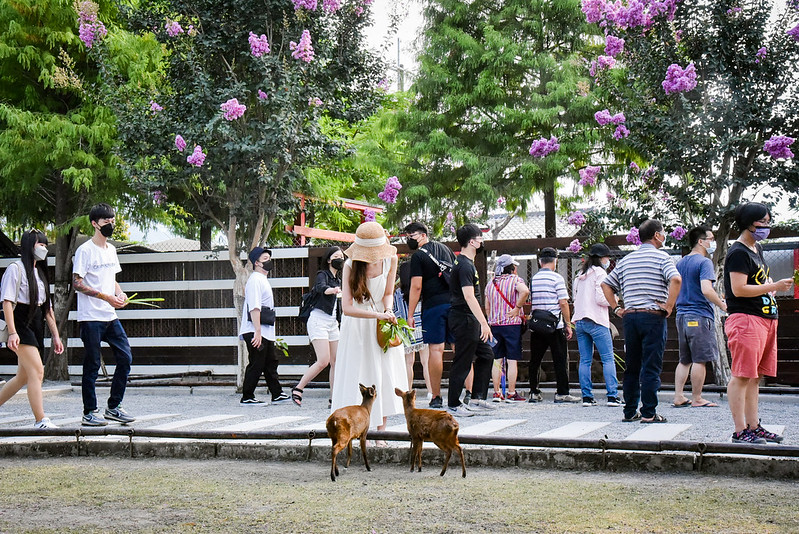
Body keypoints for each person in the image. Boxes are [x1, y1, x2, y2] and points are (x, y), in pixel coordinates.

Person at [723, 203, 793, 444]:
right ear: (749, 223)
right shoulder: (738, 252)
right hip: (746, 319)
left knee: (754, 377)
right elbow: (739, 289)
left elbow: (756, 280)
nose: (767, 226)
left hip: (764, 319)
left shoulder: (757, 249)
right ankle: (740, 430)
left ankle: (754, 426)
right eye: (762, 221)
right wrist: (774, 286)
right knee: (742, 375)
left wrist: (769, 283)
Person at [602, 219, 682, 423]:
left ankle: (629, 411)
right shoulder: (662, 257)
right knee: (651, 365)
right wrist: (669, 306)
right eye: (663, 233)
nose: (664, 236)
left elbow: (606, 284)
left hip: (630, 317)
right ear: (656, 235)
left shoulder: (627, 260)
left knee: (632, 365)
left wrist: (617, 308)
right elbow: (676, 279)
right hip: (653, 316)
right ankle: (649, 412)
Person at [330, 221, 406, 434]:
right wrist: (377, 314)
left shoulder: (391, 258)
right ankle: (360, 429)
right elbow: (347, 307)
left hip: (381, 325)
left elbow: (388, 293)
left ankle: (381, 431)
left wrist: (388, 311)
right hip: (357, 326)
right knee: (360, 374)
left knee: (384, 374)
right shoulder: (350, 265)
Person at [73, 203, 137, 426]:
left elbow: (113, 279)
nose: (110, 224)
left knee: (125, 357)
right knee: (92, 365)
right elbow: (77, 283)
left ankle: (114, 407)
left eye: (112, 220)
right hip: (91, 317)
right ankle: (89, 412)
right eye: (106, 221)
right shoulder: (84, 251)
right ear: (94, 223)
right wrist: (105, 297)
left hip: (110, 316)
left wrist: (120, 294)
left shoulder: (111, 250)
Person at [0, 229, 63, 429]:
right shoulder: (15, 269)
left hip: (36, 324)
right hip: (19, 323)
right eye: (39, 244)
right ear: (29, 246)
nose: (43, 248)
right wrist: (12, 332)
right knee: (37, 371)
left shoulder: (40, 274)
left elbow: (47, 310)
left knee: (23, 377)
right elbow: (7, 302)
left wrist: (56, 336)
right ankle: (40, 419)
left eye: (45, 245)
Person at [672, 226, 727, 408]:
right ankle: (697, 398)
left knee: (684, 359)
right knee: (700, 359)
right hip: (700, 315)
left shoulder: (680, 263)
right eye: (711, 239)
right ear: (701, 241)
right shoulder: (704, 263)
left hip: (681, 315)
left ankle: (679, 396)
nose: (713, 242)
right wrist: (722, 304)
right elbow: (706, 289)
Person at [404, 222, 456, 409]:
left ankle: (436, 396)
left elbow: (416, 286)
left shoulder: (418, 257)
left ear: (423, 235)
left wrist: (410, 313)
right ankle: (468, 393)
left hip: (433, 305)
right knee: (460, 349)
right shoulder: (446, 249)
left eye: (412, 235)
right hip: (454, 304)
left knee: (436, 350)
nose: (409, 238)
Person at [446, 223, 496, 417]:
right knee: (463, 361)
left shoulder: (466, 263)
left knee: (486, 355)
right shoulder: (465, 265)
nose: (482, 241)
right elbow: (469, 296)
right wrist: (484, 323)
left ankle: (477, 398)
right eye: (480, 238)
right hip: (465, 317)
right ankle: (453, 404)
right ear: (472, 242)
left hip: (469, 318)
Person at [292, 247, 344, 407]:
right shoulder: (323, 275)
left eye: (341, 256)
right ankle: (298, 388)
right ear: (329, 259)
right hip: (318, 320)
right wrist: (332, 290)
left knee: (336, 362)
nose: (340, 259)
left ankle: (333, 399)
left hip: (333, 322)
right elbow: (321, 287)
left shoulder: (339, 280)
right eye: (336, 256)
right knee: (323, 360)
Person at [572, 243, 623, 407]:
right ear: (602, 258)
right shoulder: (601, 273)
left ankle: (586, 397)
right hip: (596, 320)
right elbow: (601, 299)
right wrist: (615, 300)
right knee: (608, 358)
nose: (608, 260)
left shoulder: (581, 274)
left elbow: (575, 297)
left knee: (585, 360)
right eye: (608, 257)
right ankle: (612, 396)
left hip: (580, 320)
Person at [239, 247, 289, 405]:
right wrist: (257, 332)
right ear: (256, 263)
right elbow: (254, 307)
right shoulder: (255, 280)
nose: (269, 261)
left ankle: (277, 393)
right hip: (256, 330)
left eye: (269, 258)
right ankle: (247, 396)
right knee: (257, 363)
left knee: (270, 362)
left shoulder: (261, 280)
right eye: (265, 259)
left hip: (263, 330)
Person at [528, 247, 579, 403]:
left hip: (537, 325)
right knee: (560, 358)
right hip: (554, 325)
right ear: (555, 261)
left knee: (535, 359)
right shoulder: (557, 279)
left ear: (539, 261)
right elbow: (563, 302)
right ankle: (562, 392)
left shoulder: (534, 279)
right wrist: (568, 324)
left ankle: (534, 392)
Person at [485, 254, 529, 402]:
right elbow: (525, 291)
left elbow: (487, 306)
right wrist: (517, 307)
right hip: (511, 324)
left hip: (495, 325)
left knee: (497, 360)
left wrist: (491, 319)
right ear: (512, 268)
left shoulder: (491, 283)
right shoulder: (516, 280)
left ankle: (497, 392)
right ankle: (511, 392)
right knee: (511, 360)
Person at [396, 260, 431, 394]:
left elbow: (396, 312)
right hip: (421, 328)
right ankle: (431, 392)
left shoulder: (398, 293)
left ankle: (408, 391)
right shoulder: (420, 289)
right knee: (426, 362)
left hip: (406, 331)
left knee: (408, 363)